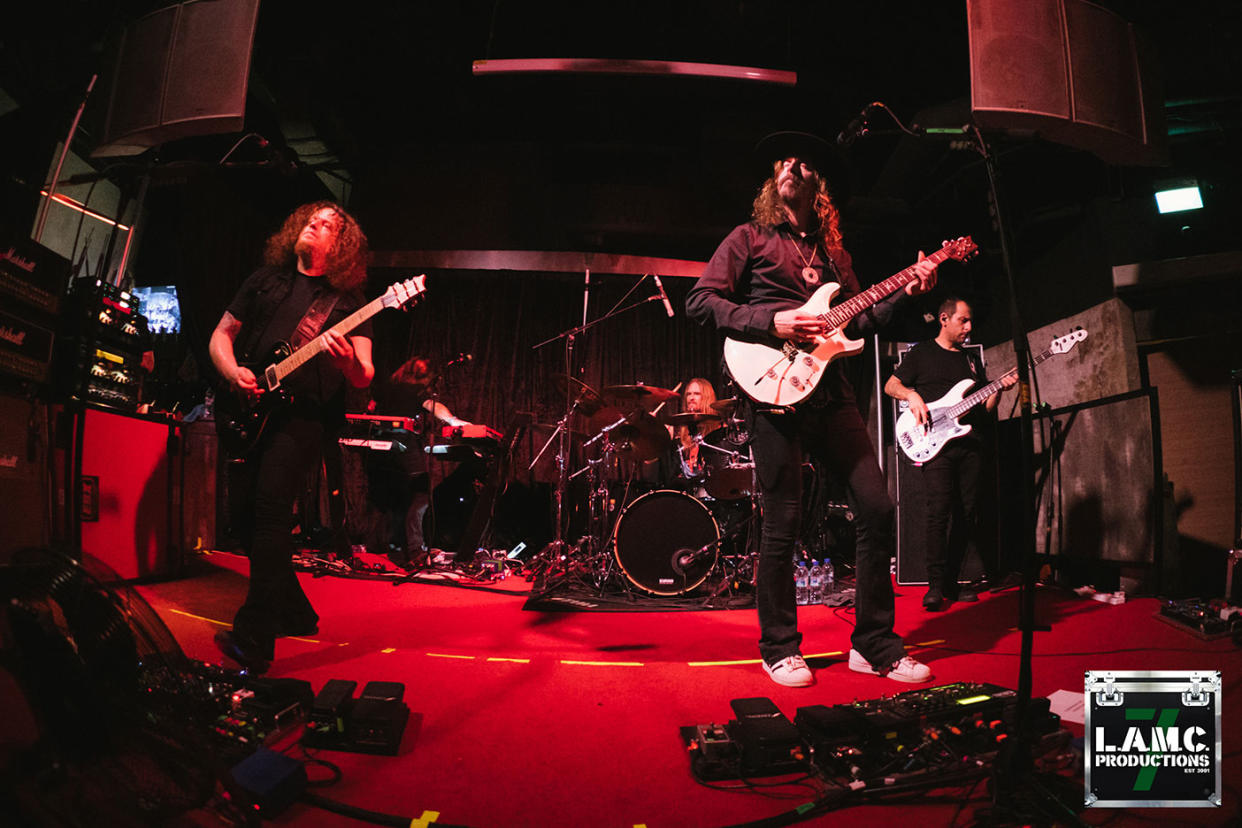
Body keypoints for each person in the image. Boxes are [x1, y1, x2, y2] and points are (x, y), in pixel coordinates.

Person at [686, 131, 938, 688]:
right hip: (772, 390)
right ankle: (779, 646)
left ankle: (873, 644)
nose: (791, 166)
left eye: (802, 162)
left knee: (877, 508)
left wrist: (907, 292)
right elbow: (700, 300)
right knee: (782, 524)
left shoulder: (834, 255)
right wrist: (771, 321)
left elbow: (860, 322)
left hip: (832, 393)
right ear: (774, 180)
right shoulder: (749, 238)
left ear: (817, 183)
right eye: (784, 160)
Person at [209, 201, 376, 673]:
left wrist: (346, 365)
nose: (314, 225)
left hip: (303, 420)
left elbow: (364, 374)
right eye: (311, 219)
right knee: (244, 521)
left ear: (340, 246)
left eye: (327, 225)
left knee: (269, 514)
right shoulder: (266, 280)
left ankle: (254, 638)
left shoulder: (348, 303)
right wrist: (231, 371)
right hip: (250, 407)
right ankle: (296, 612)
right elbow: (221, 335)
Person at [883, 297, 1016, 611]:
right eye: (963, 321)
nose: (968, 328)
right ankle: (935, 585)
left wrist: (998, 388)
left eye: (970, 322)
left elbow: (984, 408)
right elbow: (892, 385)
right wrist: (912, 395)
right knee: (938, 512)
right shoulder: (923, 353)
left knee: (967, 513)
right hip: (935, 443)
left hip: (969, 444)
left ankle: (954, 580)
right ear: (944, 319)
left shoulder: (970, 360)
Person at [372, 355, 472, 567]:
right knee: (421, 494)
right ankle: (416, 548)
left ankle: (385, 545)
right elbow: (434, 407)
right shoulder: (416, 391)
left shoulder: (386, 388)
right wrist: (453, 421)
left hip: (381, 445)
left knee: (395, 498)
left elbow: (370, 409)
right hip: (404, 444)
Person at [671, 378, 719, 481]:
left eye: (697, 394)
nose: (691, 398)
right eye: (688, 394)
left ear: (707, 398)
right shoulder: (679, 434)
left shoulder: (719, 433)